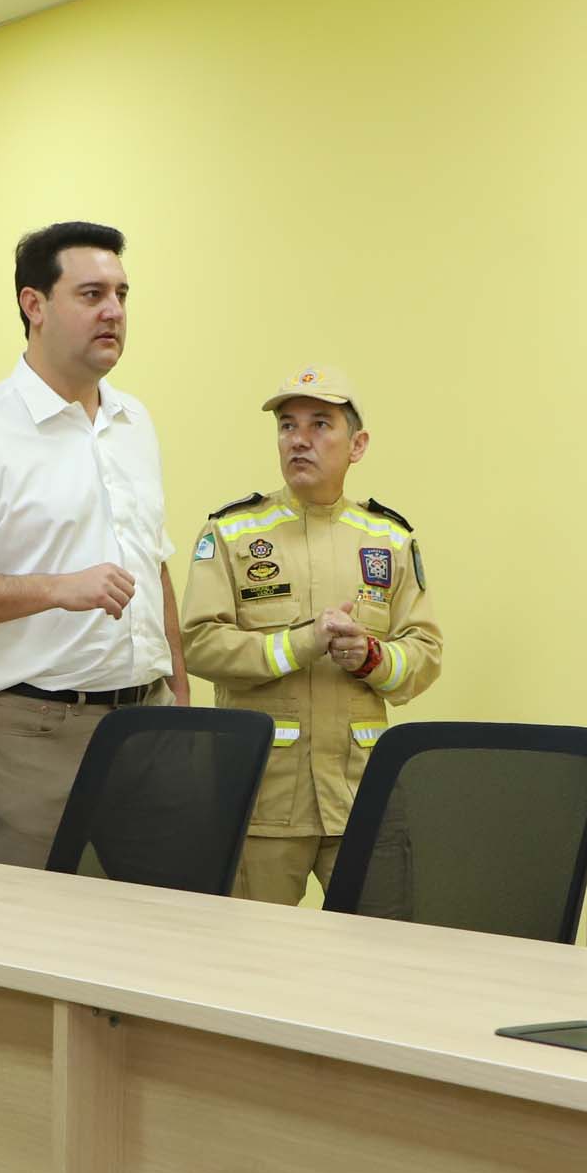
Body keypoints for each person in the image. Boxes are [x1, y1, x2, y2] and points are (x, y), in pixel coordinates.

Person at [0, 221, 186, 867]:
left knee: (155, 915)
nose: (114, 311)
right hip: (32, 734)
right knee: (29, 919)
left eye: (121, 293)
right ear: (35, 305)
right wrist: (56, 589)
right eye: (91, 294)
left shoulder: (134, 422)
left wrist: (180, 696)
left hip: (148, 721)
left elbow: (154, 565)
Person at [181, 366, 443, 905]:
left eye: (320, 424)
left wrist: (370, 657)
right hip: (263, 797)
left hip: (362, 793)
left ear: (357, 444)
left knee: (383, 947)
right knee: (255, 951)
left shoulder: (389, 539)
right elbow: (199, 644)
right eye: (287, 425)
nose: (299, 439)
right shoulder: (231, 532)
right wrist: (302, 643)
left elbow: (425, 652)